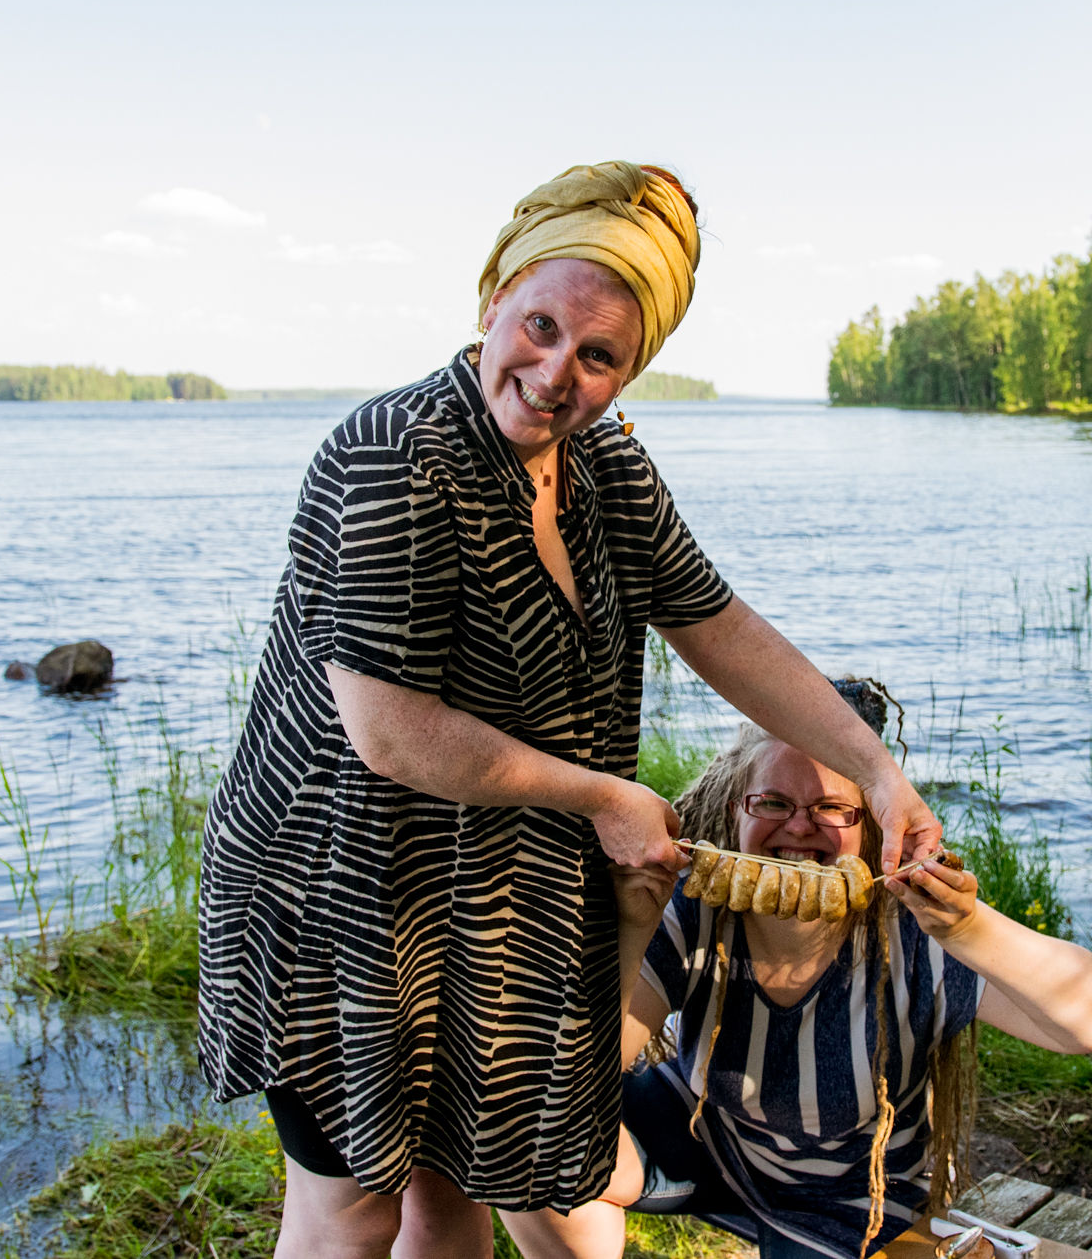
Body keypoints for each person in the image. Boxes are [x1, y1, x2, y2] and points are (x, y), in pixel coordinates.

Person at [195, 161, 945, 1259]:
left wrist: (875, 771)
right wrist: (599, 795)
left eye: (598, 356)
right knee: (352, 1206)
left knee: (457, 1188)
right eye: (538, 326)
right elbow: (387, 728)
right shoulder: (393, 454)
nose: (553, 373)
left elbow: (717, 627)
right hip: (345, 896)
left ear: (630, 369)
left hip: (493, 899)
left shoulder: (607, 467)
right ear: (491, 297)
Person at [505, 691, 1092, 1259]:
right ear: (736, 810)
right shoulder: (698, 909)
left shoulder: (914, 933)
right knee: (516, 1136)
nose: (800, 826)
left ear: (871, 830)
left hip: (848, 1204)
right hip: (708, 1139)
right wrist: (636, 926)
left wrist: (969, 930)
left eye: (833, 808)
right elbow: (585, 1072)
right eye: (774, 802)